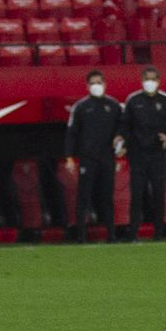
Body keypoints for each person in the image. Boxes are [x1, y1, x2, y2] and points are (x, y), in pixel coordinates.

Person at [64, 70, 126, 244]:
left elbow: (122, 130)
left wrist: (121, 145)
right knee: (84, 196)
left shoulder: (114, 106)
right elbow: (71, 133)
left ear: (105, 84)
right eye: (93, 83)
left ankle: (111, 235)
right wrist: (69, 157)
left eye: (99, 82)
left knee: (107, 197)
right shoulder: (81, 107)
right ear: (87, 86)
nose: (96, 85)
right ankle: (81, 236)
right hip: (87, 159)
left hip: (107, 158)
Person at [122, 66, 166, 242]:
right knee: (137, 195)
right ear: (142, 80)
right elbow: (125, 126)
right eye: (147, 78)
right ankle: (133, 234)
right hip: (137, 155)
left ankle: (158, 235)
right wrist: (122, 142)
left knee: (159, 195)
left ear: (159, 81)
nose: (150, 82)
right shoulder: (133, 100)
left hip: (157, 155)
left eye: (153, 79)